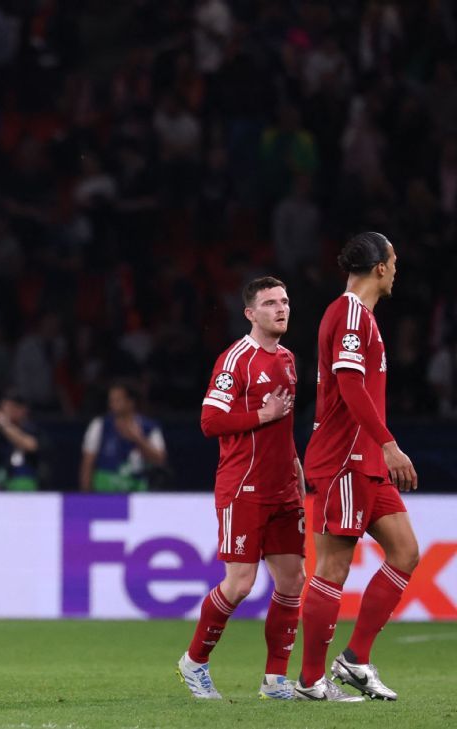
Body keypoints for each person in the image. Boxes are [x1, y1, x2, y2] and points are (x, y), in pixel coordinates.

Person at [296, 233, 419, 702]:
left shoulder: (362, 317)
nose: (396, 270)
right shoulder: (349, 313)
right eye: (395, 261)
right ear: (381, 268)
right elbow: (349, 384)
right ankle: (310, 681)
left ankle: (355, 660)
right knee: (333, 567)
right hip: (344, 459)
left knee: (405, 552)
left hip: (365, 459)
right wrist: (389, 444)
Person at [176, 276, 305, 701]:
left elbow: (284, 428)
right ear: (250, 313)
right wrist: (261, 416)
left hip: (284, 489)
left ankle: (275, 681)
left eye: (284, 301)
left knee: (292, 581)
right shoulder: (235, 360)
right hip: (244, 487)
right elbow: (209, 422)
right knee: (240, 583)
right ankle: (194, 661)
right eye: (270, 303)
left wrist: (297, 471)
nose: (280, 309)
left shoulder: (287, 358)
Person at [79, 381, 167, 492]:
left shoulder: (150, 427)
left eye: (118, 400)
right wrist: (86, 495)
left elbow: (160, 460)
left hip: (137, 493)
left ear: (130, 402)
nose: (112, 404)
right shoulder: (99, 425)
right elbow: (87, 464)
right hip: (105, 493)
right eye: (111, 400)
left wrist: (138, 439)